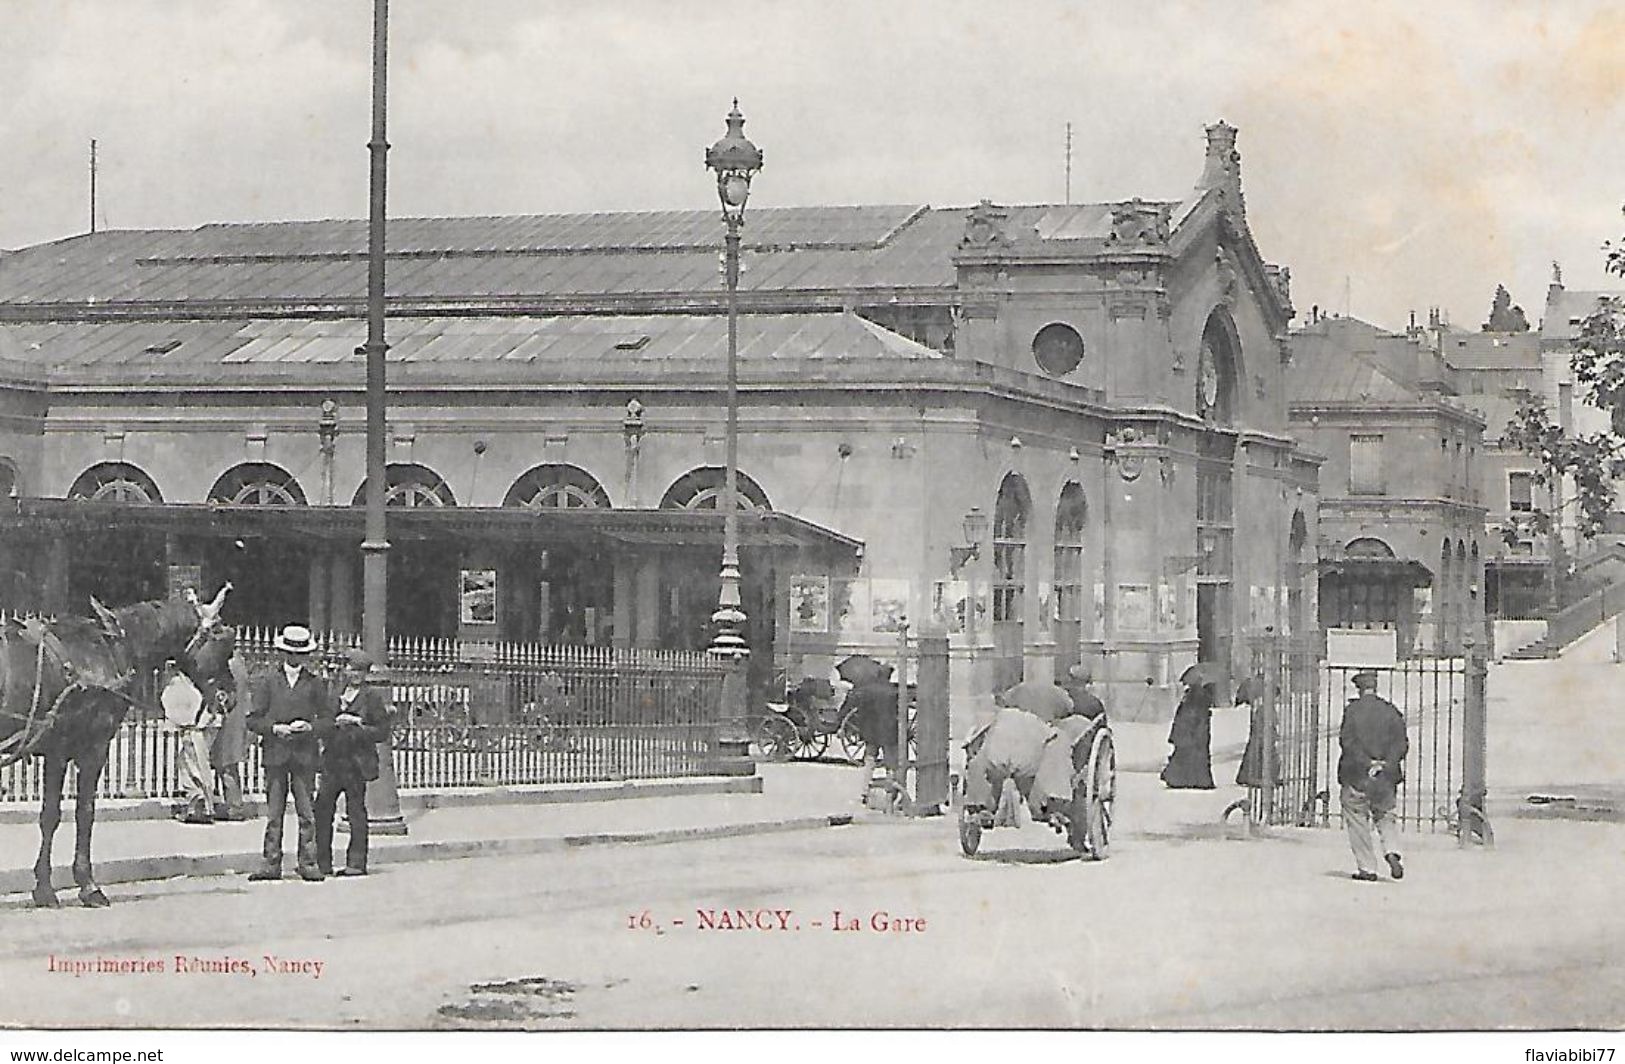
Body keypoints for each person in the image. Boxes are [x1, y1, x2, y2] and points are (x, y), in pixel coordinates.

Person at [246, 624, 332, 883]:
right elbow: (253, 720)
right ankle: (271, 863)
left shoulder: (315, 684)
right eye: (290, 653)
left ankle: (308, 862)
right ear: (282, 652)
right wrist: (274, 728)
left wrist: (311, 727)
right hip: (276, 753)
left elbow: (328, 720)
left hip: (304, 756)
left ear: (306, 656)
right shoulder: (268, 682)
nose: (295, 658)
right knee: (274, 814)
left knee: (307, 813)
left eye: (300, 654)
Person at [314, 650, 392, 877]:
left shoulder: (372, 697)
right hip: (332, 761)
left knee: (356, 812)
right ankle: (322, 862)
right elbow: (323, 721)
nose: (355, 674)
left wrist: (358, 725)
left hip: (356, 763)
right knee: (322, 810)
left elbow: (381, 732)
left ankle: (356, 863)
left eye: (360, 671)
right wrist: (334, 723)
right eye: (352, 669)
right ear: (345, 670)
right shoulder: (334, 693)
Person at [1338, 669, 1409, 882]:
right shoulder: (1391, 710)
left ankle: (1367, 868)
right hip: (1386, 776)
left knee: (1357, 817)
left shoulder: (1352, 711)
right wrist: (1386, 763)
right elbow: (1402, 743)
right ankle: (1392, 851)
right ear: (1375, 687)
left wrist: (1368, 763)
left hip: (1357, 775)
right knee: (1386, 815)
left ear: (1358, 689)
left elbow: (1347, 742)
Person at [162, 660, 220, 825]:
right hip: (205, 723)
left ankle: (197, 806)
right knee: (199, 763)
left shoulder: (179, 685)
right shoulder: (192, 682)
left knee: (192, 765)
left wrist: (174, 724)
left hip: (195, 727)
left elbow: (177, 709)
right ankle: (204, 805)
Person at [210, 653, 253, 821]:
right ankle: (231, 804)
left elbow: (227, 694)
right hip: (236, 718)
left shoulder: (227, 664)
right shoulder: (237, 661)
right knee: (227, 762)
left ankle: (235, 807)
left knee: (226, 763)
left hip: (229, 719)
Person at [1161, 677, 1217, 789]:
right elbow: (1195, 716)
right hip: (1193, 733)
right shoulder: (1198, 696)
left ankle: (1179, 780)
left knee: (1184, 756)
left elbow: (1184, 716)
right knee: (1194, 757)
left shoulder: (1192, 696)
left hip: (1189, 733)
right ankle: (1196, 781)